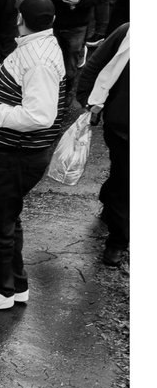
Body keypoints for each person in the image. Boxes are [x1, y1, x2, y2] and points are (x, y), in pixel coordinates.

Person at [0, 0, 66, 312]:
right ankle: (15, 283)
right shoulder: (39, 45)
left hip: (15, 156)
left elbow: (40, 117)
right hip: (14, 154)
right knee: (7, 220)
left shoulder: (38, 60)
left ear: (21, 19)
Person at [38, 0, 110, 112]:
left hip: (77, 25)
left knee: (70, 66)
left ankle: (65, 99)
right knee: (46, 63)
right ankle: (47, 95)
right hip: (52, 23)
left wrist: (82, 0)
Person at [79, 23, 130, 266]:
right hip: (122, 128)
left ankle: (109, 200)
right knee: (125, 183)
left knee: (122, 180)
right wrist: (87, 100)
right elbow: (96, 64)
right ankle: (117, 242)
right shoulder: (128, 32)